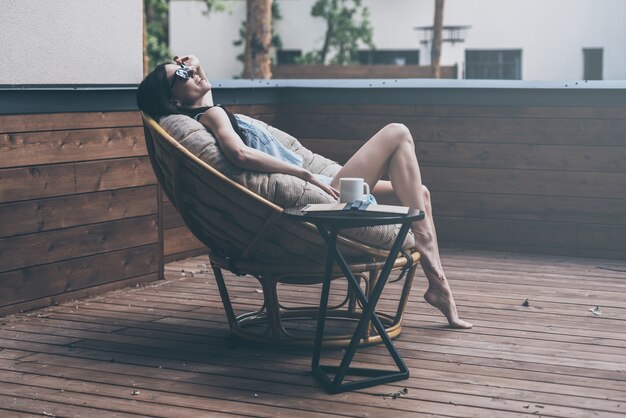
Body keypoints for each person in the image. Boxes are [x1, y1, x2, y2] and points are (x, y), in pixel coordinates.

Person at [137, 55, 472, 329]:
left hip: (322, 186)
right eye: (181, 73)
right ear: (173, 99)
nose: (191, 72)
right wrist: (302, 173)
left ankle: (437, 287)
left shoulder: (205, 109)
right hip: (322, 194)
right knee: (397, 133)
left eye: (187, 67)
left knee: (421, 193)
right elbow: (239, 154)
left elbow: (204, 90)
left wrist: (195, 65)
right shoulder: (212, 115)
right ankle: (440, 282)